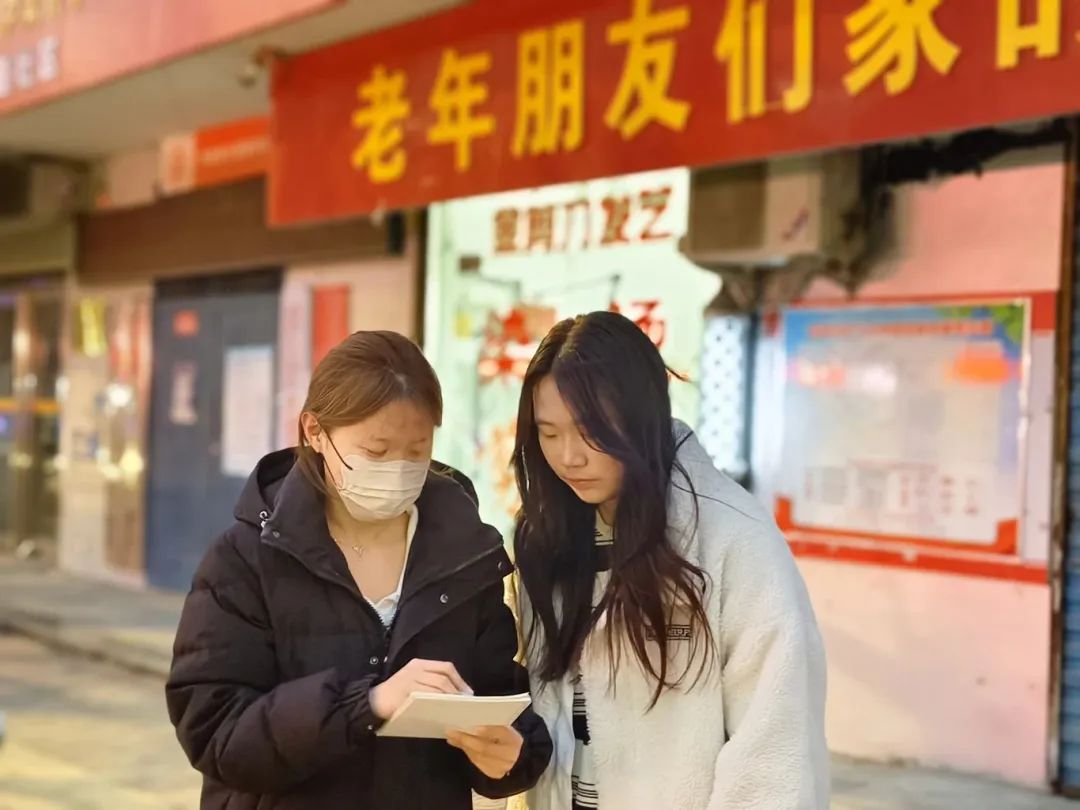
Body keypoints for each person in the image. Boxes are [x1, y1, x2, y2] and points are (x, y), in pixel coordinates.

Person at [166, 331, 552, 810]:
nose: (399, 468)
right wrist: (365, 705)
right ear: (314, 431)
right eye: (376, 451)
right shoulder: (247, 559)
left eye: (417, 450)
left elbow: (501, 699)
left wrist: (512, 756)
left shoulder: (466, 556)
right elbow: (214, 732)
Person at [512, 311, 828, 810]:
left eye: (591, 431)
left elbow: (773, 744)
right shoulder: (545, 538)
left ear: (641, 419)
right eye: (549, 434)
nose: (569, 457)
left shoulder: (732, 537)